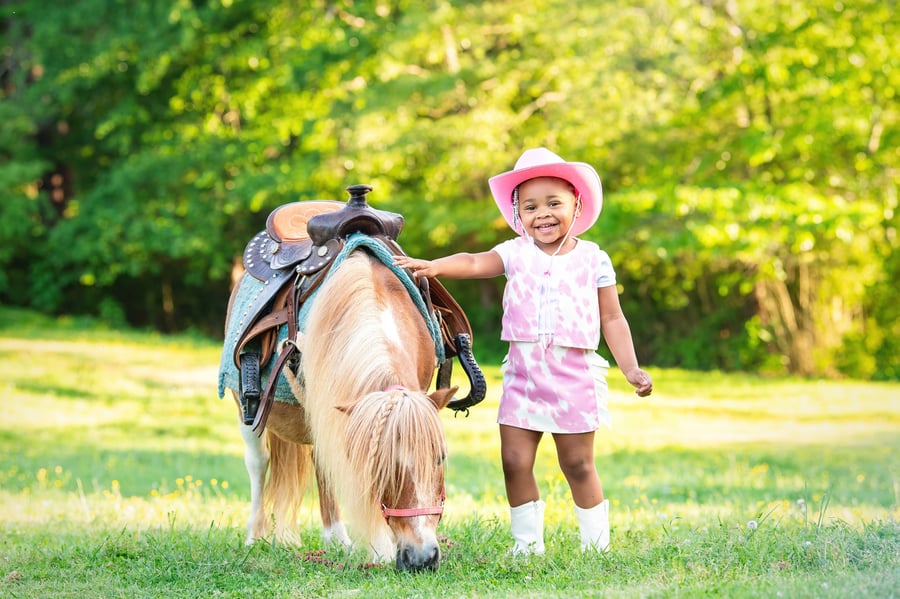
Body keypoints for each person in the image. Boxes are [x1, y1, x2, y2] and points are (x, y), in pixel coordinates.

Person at [393, 147, 652, 555]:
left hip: (574, 375)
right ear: (517, 214)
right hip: (524, 374)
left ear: (576, 204)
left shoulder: (593, 259)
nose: (543, 214)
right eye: (530, 206)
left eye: (554, 203)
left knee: (578, 464)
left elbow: (613, 319)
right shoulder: (515, 252)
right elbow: (476, 262)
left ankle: (596, 544)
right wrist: (437, 265)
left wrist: (631, 368)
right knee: (514, 460)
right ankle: (527, 544)